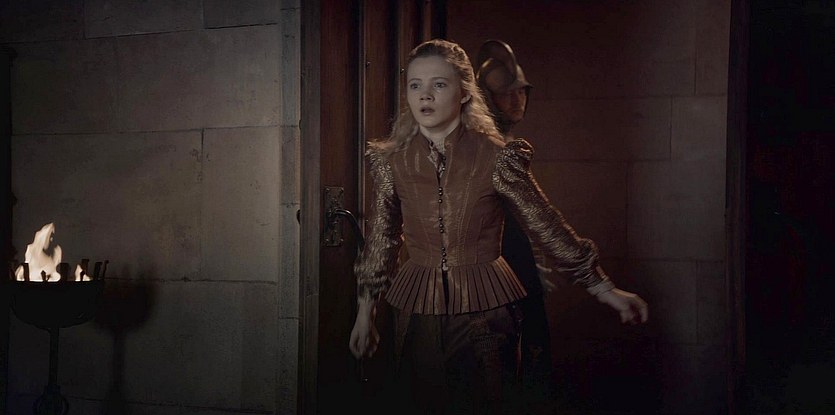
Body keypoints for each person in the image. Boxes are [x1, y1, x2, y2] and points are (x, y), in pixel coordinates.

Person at [348, 38, 648, 415]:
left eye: (439, 84)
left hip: (485, 311)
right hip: (416, 309)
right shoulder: (393, 162)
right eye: (415, 85)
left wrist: (603, 288)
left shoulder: (497, 157)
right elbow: (383, 238)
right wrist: (366, 313)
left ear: (463, 92)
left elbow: (545, 224)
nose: (425, 95)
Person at [474, 39, 555, 411]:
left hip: (517, 263)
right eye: (506, 93)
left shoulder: (506, 143)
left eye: (521, 91)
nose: (516, 98)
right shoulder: (483, 146)